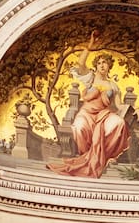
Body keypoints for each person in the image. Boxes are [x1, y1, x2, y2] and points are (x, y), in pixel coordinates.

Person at [46, 50, 131, 178]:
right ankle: (86, 156)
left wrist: (137, 110)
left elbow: (119, 106)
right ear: (96, 66)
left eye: (105, 63)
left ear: (109, 66)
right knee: (79, 128)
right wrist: (89, 47)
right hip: (86, 113)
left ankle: (107, 156)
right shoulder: (90, 78)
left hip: (103, 114)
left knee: (119, 123)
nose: (102, 65)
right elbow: (80, 63)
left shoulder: (113, 85)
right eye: (99, 63)